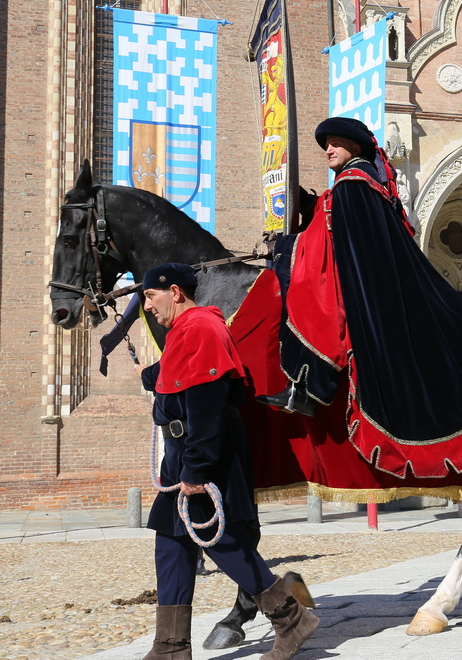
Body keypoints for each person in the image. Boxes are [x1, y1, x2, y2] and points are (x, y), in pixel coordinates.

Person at [260, 117, 462, 481]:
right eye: (326, 144)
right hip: (380, 279)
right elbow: (339, 225)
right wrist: (311, 205)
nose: (328, 150)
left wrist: (285, 247)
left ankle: (307, 385)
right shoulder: (362, 184)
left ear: (355, 147)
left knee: (312, 298)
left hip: (372, 289)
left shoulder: (353, 185)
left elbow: (333, 243)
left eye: (335, 143)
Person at [138, 262, 318, 660]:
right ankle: (170, 647)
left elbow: (208, 402)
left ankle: (291, 618)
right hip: (182, 454)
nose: (147, 306)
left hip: (200, 454)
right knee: (171, 544)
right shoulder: (188, 331)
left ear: (175, 293)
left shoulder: (200, 328)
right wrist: (151, 375)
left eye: (151, 296)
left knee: (222, 543)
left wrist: (197, 468)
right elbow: (178, 376)